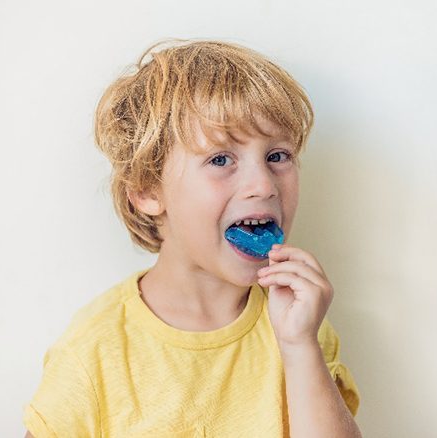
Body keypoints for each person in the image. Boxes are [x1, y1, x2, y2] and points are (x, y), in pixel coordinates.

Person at [23, 39, 361, 437]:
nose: (263, 185)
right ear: (148, 190)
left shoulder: (300, 323)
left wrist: (301, 347)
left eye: (277, 156)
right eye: (221, 159)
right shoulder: (93, 353)